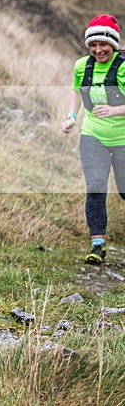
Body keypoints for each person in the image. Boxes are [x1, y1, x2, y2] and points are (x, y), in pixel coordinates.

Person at [62, 14, 125, 265]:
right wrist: (71, 117)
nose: (98, 50)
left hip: (122, 138)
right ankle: (97, 245)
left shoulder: (122, 67)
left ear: (113, 44)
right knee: (96, 187)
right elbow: (75, 90)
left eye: (103, 45)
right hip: (92, 135)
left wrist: (115, 110)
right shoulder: (82, 66)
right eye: (93, 45)